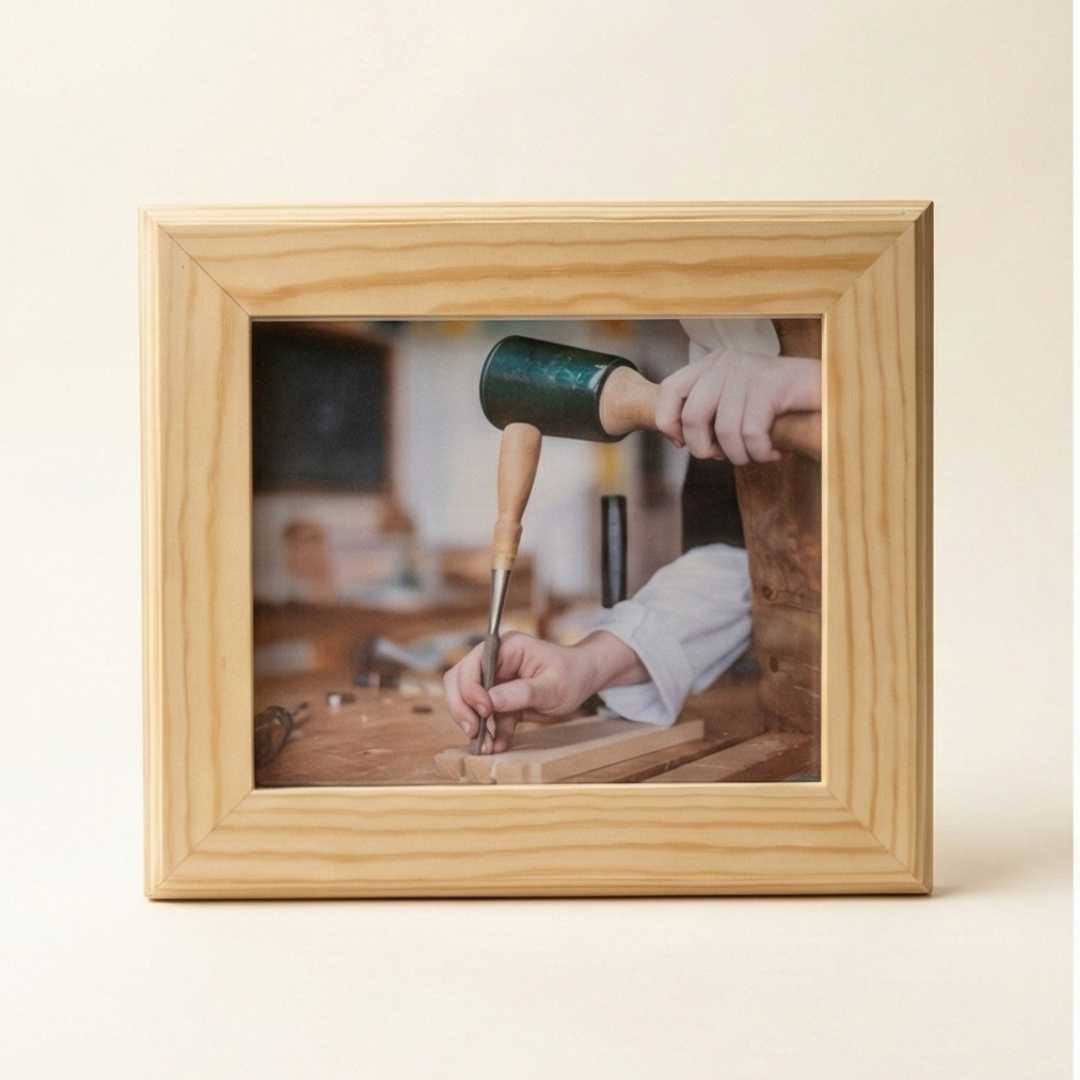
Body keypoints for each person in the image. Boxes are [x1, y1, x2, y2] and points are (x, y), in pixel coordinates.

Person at [443, 319, 822, 754]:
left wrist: (825, 385)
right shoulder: (718, 334)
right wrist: (591, 662)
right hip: (798, 744)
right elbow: (750, 559)